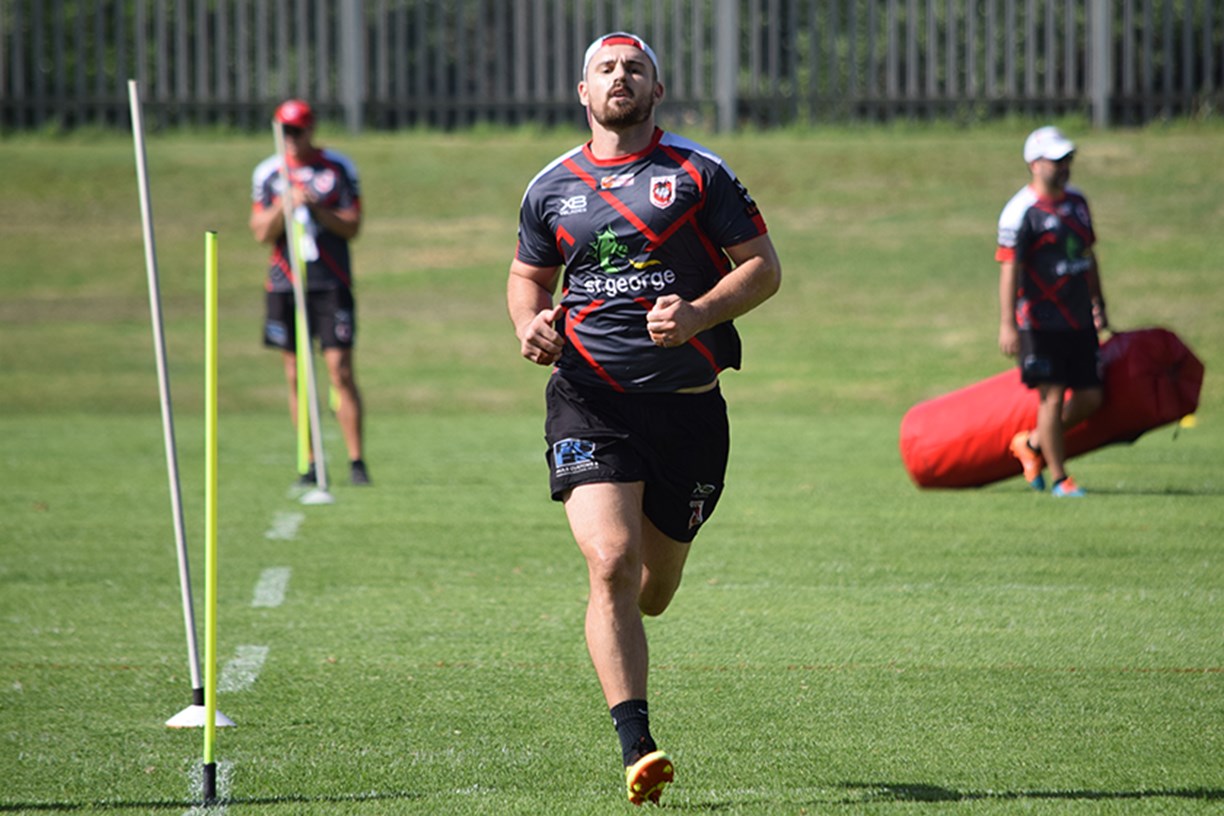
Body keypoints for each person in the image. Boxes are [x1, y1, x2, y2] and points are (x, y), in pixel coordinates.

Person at [506, 32, 781, 805]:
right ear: (583, 92)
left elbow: (764, 268)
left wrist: (697, 314)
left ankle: (643, 610)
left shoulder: (699, 173)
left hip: (687, 414)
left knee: (653, 589)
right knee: (611, 563)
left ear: (657, 91)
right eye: (605, 68)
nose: (619, 77)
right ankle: (638, 745)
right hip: (588, 400)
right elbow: (527, 276)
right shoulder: (551, 187)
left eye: (635, 69)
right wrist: (528, 322)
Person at [249, 99, 370, 486]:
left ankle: (356, 462)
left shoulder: (337, 168)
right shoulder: (268, 173)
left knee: (340, 370)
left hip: (330, 282)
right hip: (285, 283)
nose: (291, 138)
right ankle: (310, 461)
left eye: (297, 130)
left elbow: (352, 226)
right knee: (295, 375)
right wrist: (284, 205)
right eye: (284, 131)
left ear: (310, 129)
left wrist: (316, 208)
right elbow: (260, 231)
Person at [997, 125, 1108, 498]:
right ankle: (1061, 479)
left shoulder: (1078, 203)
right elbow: (1009, 269)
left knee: (1091, 398)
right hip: (1040, 322)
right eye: (1055, 161)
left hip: (1078, 317)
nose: (1063, 167)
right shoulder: (1020, 212)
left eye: (1067, 160)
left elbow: (1088, 255)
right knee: (1052, 395)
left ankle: (1031, 444)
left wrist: (1098, 302)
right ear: (1034, 164)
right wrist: (1007, 324)